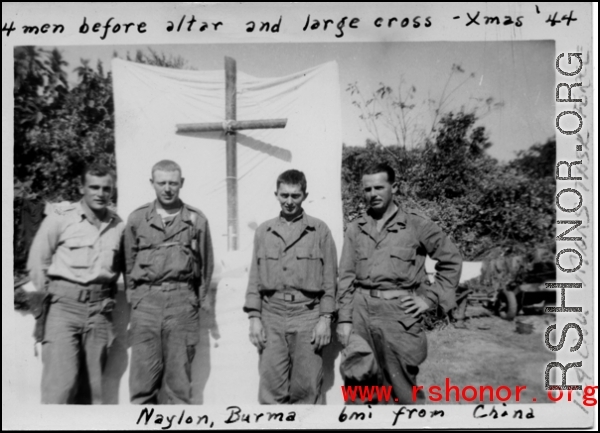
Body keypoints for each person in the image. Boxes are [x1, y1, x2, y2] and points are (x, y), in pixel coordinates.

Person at [336, 162, 462, 404]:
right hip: (360, 313)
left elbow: (451, 260)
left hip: (398, 315)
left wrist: (429, 299)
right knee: (358, 385)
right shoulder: (355, 228)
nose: (372, 194)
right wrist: (344, 319)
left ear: (394, 187)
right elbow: (346, 277)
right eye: (367, 189)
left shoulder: (417, 225)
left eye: (379, 187)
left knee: (402, 389)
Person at [27, 163, 124, 404]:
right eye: (94, 187)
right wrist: (51, 298)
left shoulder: (118, 224)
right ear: (81, 188)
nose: (100, 193)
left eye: (106, 188)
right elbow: (37, 262)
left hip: (100, 312)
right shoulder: (61, 218)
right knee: (60, 387)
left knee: (93, 393)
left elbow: (121, 265)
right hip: (63, 309)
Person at [243, 169, 338, 404]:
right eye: (284, 195)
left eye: (295, 196)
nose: (289, 202)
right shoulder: (264, 231)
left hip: (307, 316)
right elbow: (255, 278)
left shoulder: (319, 231)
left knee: (305, 391)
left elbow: (330, 281)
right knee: (271, 392)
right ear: (276, 194)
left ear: (305, 195)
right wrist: (254, 318)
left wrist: (325, 319)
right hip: (272, 316)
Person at [124, 159, 213, 404]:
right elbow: (128, 262)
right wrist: (137, 299)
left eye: (173, 183)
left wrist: (196, 300)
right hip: (146, 305)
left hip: (181, 303)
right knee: (142, 384)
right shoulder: (137, 219)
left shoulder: (196, 220)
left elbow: (206, 265)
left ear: (181, 183)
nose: (167, 188)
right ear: (152, 183)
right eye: (161, 183)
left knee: (179, 385)